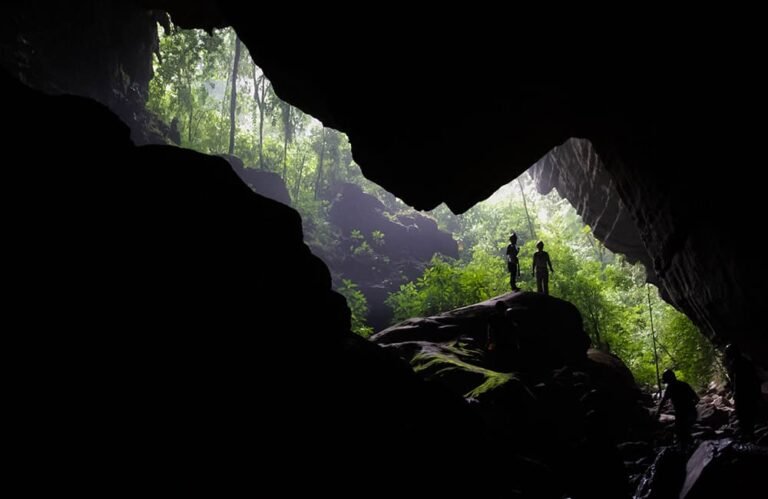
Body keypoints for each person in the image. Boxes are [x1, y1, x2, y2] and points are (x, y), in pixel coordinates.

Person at [724, 344, 763, 440]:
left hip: (743, 395)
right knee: (752, 415)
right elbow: (755, 378)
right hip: (751, 393)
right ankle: (752, 434)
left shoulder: (736, 364)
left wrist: (735, 394)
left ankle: (750, 436)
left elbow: (738, 381)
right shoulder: (746, 361)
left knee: (744, 417)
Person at [656, 368, 699, 449]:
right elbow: (697, 399)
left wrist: (657, 413)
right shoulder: (684, 384)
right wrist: (690, 406)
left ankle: (690, 451)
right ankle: (692, 447)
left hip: (682, 416)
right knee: (684, 434)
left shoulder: (670, 388)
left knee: (681, 435)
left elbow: (663, 402)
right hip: (692, 413)